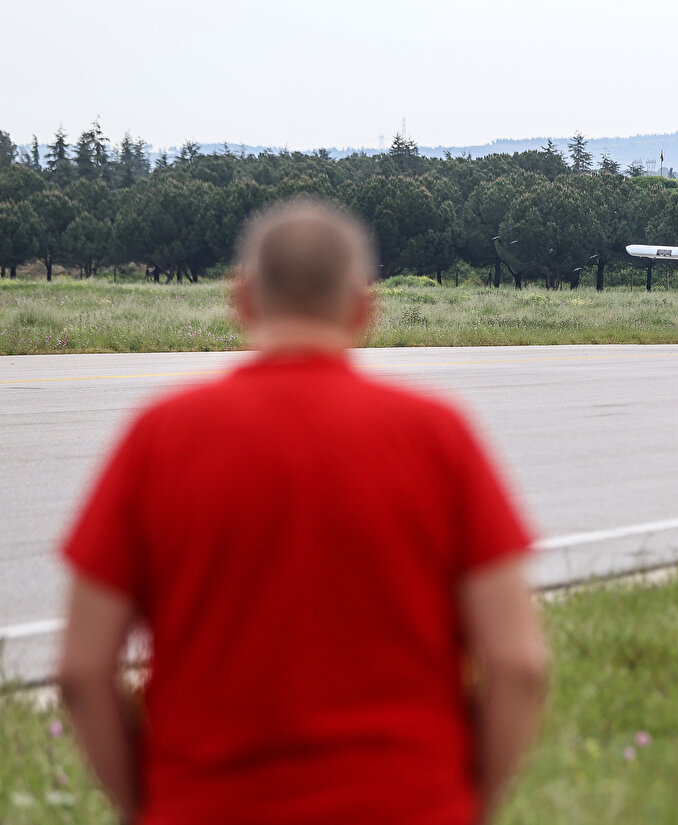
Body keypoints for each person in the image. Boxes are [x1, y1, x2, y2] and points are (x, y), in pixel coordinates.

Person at [57, 199, 548, 825]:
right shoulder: (437, 436)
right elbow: (518, 663)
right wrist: (464, 801)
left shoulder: (159, 435)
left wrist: (147, 805)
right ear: (364, 307)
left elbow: (82, 669)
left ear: (242, 300)